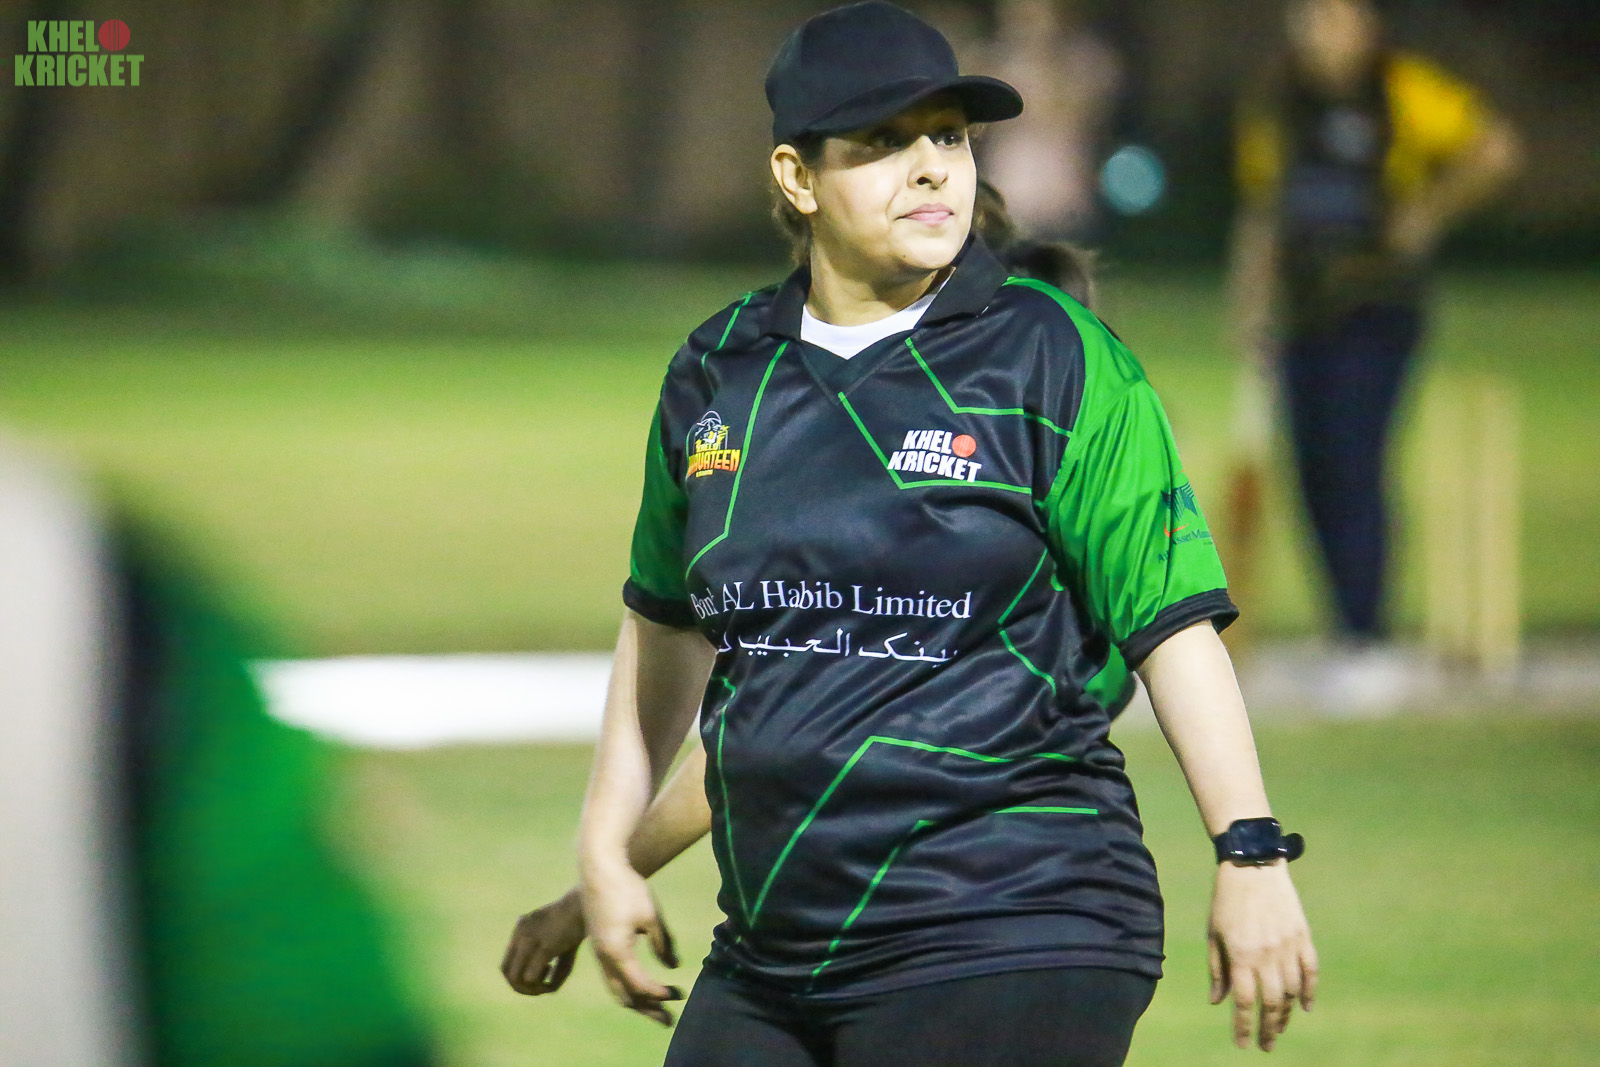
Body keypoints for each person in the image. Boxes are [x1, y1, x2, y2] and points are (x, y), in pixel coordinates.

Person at [525, 4, 1316, 1063]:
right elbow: (681, 641)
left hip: (1013, 919)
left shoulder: (1055, 358)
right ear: (798, 178)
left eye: (947, 135)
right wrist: (603, 859)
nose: (933, 166)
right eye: (883, 142)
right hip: (773, 949)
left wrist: (1249, 850)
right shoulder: (717, 372)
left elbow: (1173, 628)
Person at [499, 176, 1118, 1007]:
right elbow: (770, 716)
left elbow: (775, 732)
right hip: (849, 925)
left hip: (986, 924)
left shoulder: (1024, 475)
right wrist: (599, 881)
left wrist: (594, 887)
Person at [1226, 0, 1520, 695]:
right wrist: (1249, 303)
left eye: (1335, 17)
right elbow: (1263, 212)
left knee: (1354, 460)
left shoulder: (1402, 88)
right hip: (1303, 310)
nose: (1319, 33)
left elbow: (1496, 149)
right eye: (1309, 19)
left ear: (1366, 25)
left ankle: (1370, 637)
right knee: (1312, 470)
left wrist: (1427, 213)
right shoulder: (1277, 101)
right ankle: (1347, 633)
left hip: (1378, 307)